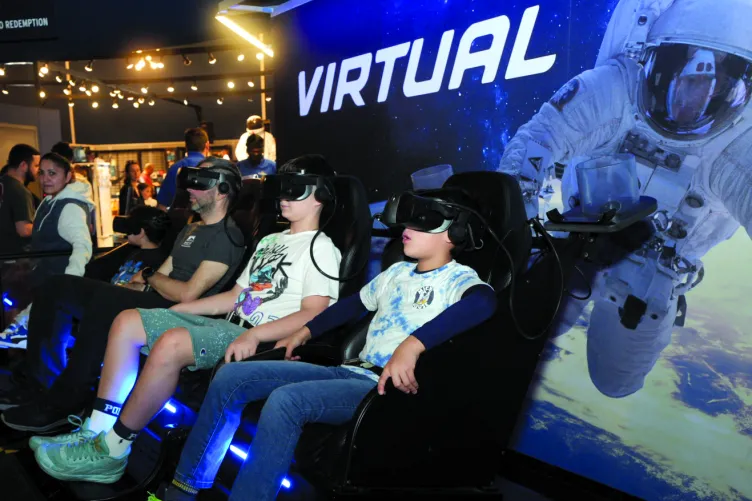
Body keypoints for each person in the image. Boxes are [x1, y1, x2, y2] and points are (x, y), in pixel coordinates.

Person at [154, 188, 496, 501]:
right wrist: (304, 333)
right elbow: (352, 306)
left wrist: (412, 345)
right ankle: (185, 486)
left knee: (286, 401)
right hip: (348, 372)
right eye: (410, 219)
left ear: (457, 233)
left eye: (425, 223)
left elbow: (483, 302)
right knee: (232, 376)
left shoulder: (459, 279)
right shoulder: (397, 272)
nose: (409, 226)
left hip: (382, 392)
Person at [32, 155, 343, 484]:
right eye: (281, 190)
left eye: (293, 191)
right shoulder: (270, 241)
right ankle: (95, 430)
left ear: (320, 195)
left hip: (257, 338)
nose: (282, 197)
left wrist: (254, 336)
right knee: (128, 321)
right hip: (230, 324)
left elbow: (314, 311)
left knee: (172, 343)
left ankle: (113, 449)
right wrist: (183, 309)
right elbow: (236, 296)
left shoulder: (321, 248)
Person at [497, 0, 752, 398]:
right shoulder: (615, 88)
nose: (692, 103)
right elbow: (537, 140)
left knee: (615, 380)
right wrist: (513, 221)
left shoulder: (738, 145)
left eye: (716, 83)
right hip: (581, 240)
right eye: (682, 77)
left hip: (649, 276)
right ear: (653, 63)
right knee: (521, 324)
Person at [1, 158, 245, 432]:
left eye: (199, 185)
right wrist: (129, 285)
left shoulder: (227, 238)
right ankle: (43, 384)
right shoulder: (191, 228)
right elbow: (151, 280)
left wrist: (150, 277)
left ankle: (66, 402)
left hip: (180, 312)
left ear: (222, 190)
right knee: (59, 286)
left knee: (107, 301)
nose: (190, 190)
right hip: (159, 296)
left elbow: (187, 294)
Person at [0, 207, 170, 406]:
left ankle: (56, 391)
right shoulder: (129, 252)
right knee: (54, 293)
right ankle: (41, 379)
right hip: (103, 301)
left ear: (141, 231)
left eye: (130, 224)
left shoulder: (158, 261)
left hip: (115, 309)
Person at [1, 153, 95, 348]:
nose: (45, 179)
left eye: (52, 173)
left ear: (68, 176)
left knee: (49, 350)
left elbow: (83, 246)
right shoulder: (50, 201)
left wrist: (69, 280)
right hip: (44, 284)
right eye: (42, 173)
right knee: (47, 347)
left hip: (56, 284)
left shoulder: (69, 206)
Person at [0, 144, 40, 255]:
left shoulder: (2, 183)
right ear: (23, 165)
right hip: (13, 258)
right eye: (36, 166)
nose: (39, 170)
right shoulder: (20, 191)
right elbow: (24, 230)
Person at [157, 129, 211, 211]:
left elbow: (162, 206)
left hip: (181, 221)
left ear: (186, 146)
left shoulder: (175, 169)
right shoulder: (215, 167)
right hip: (211, 221)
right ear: (207, 145)